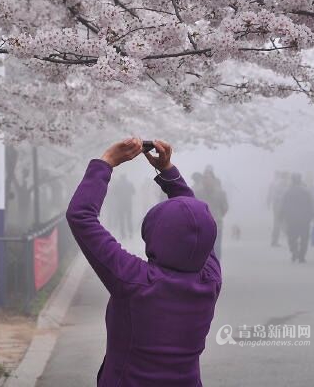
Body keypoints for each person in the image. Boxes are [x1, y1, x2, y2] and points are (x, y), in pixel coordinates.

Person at [66, 138, 221, 387]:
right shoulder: (210, 278)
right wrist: (168, 171)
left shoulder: (135, 280)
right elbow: (197, 225)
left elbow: (81, 216)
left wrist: (105, 162)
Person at [280, 173, 314, 263]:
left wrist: (280, 216)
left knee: (292, 237)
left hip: (291, 218)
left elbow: (283, 205)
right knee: (304, 238)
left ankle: (294, 251)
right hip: (304, 219)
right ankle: (302, 256)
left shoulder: (287, 192)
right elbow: (311, 204)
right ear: (300, 180)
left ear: (292, 180)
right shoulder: (306, 191)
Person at [200, 166, 228, 259]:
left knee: (216, 249)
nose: (206, 181)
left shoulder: (220, 193)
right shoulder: (198, 193)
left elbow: (225, 208)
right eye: (204, 178)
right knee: (203, 251)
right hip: (202, 226)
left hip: (216, 225)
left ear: (213, 180)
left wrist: (217, 216)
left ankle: (216, 271)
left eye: (208, 178)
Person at [267, 171, 289, 247]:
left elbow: (271, 194)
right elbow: (280, 195)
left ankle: (275, 240)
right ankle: (274, 241)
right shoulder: (281, 184)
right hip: (279, 206)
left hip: (277, 205)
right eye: (287, 177)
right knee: (278, 223)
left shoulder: (277, 183)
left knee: (280, 222)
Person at [114, 173, 136, 238]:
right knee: (129, 219)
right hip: (128, 204)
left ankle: (123, 234)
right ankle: (130, 233)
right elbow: (134, 192)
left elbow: (114, 193)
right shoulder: (129, 184)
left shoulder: (117, 184)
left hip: (120, 204)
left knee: (121, 220)